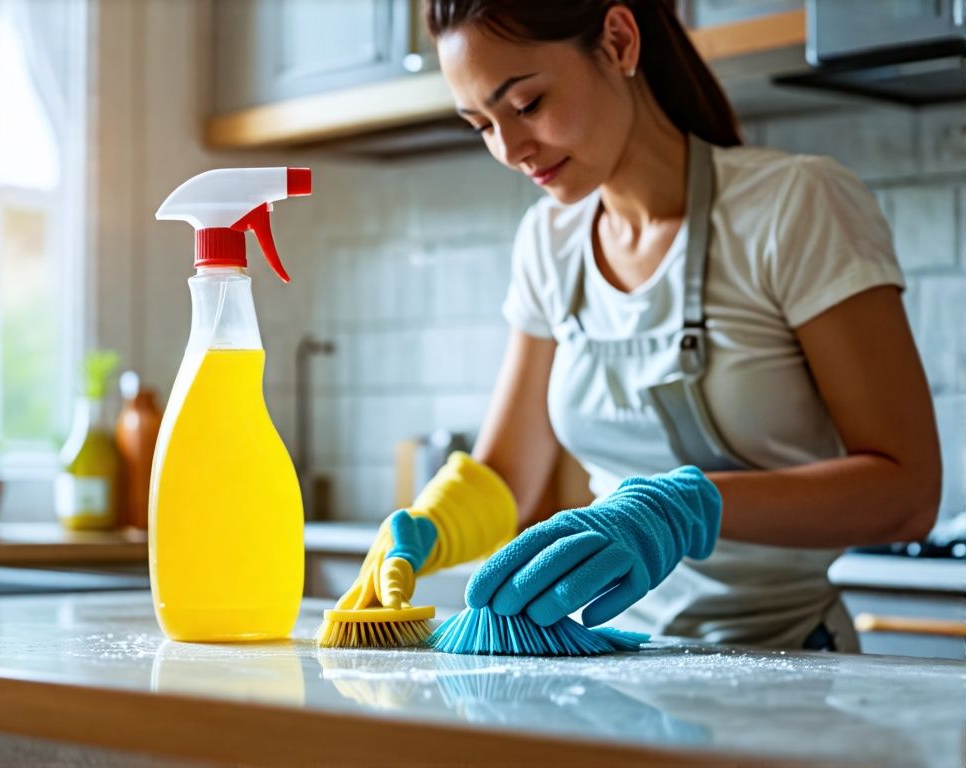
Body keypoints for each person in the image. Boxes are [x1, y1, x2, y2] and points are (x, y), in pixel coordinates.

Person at [343, 0, 941, 652]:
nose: (508, 149)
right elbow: (510, 475)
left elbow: (907, 492)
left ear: (620, 41)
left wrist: (686, 509)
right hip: (610, 659)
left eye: (526, 104)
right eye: (480, 124)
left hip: (789, 660)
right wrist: (430, 524)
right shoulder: (549, 242)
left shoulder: (795, 207)